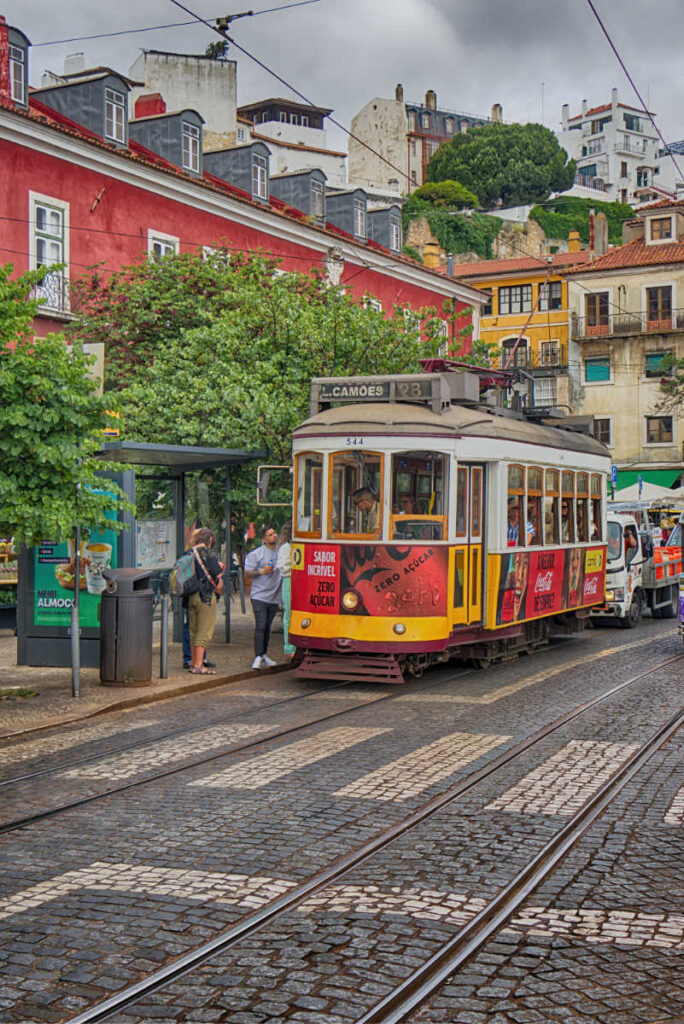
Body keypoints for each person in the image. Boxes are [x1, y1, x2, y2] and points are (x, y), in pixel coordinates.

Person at [186, 528, 223, 675]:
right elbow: (217, 574)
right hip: (206, 594)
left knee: (194, 630)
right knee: (204, 630)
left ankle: (193, 663)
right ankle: (199, 665)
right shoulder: (207, 553)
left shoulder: (188, 552)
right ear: (210, 539)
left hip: (191, 595)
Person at [244, 524, 282, 670]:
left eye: (274, 533)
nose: (274, 536)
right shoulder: (256, 554)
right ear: (264, 539)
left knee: (267, 626)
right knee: (260, 625)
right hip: (259, 595)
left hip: (274, 596)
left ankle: (264, 654)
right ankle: (258, 657)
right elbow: (248, 573)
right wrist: (262, 571)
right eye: (270, 535)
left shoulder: (281, 551)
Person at [276, 521, 296, 658]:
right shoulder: (285, 548)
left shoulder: (288, 547)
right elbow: (282, 567)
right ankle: (289, 647)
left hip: (293, 579)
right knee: (288, 614)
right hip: (289, 580)